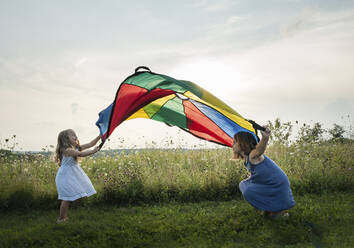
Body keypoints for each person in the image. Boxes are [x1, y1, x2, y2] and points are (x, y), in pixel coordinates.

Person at [232, 127, 295, 219]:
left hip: (276, 182)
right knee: (244, 184)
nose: (232, 144)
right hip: (267, 181)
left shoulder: (253, 155)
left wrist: (265, 138)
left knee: (248, 191)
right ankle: (269, 208)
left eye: (234, 142)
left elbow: (259, 150)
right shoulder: (246, 159)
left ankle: (279, 212)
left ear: (242, 143)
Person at [55, 129, 101, 223]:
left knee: (68, 197)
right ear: (65, 139)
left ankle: (63, 217)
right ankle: (61, 218)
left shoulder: (76, 147)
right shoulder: (67, 150)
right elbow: (80, 154)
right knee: (66, 198)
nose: (75, 137)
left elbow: (90, 144)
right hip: (65, 176)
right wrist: (93, 151)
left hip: (72, 174)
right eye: (72, 135)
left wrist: (100, 136)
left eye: (75, 135)